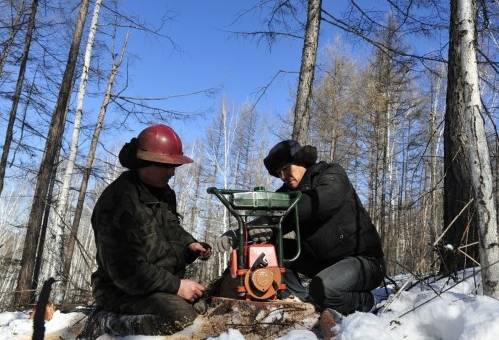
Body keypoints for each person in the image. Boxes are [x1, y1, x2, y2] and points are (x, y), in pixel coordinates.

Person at [214, 140, 385, 316]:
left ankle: (366, 301)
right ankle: (303, 301)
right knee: (273, 256)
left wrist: (270, 220)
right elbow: (269, 220)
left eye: (286, 168)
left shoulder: (331, 174)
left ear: (301, 161)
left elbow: (319, 203)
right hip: (323, 264)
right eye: (279, 173)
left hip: (363, 261)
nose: (283, 176)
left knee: (324, 289)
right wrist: (240, 233)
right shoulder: (285, 194)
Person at [91, 124, 212, 334]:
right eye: (168, 166)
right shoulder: (119, 201)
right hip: (120, 289)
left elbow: (172, 229)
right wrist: (177, 286)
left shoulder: (164, 193)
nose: (173, 172)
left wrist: (189, 244)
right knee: (183, 319)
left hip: (157, 287)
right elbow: (126, 271)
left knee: (205, 306)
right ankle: (104, 322)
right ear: (146, 163)